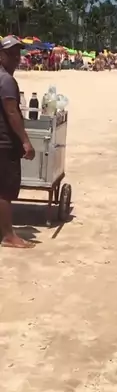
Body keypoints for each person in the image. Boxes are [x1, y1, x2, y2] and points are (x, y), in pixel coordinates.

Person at [0, 36, 36, 248]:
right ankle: (8, 236)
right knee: (5, 190)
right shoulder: (6, 81)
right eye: (11, 54)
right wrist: (25, 141)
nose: (16, 58)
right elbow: (11, 112)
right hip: (4, 142)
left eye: (18, 54)